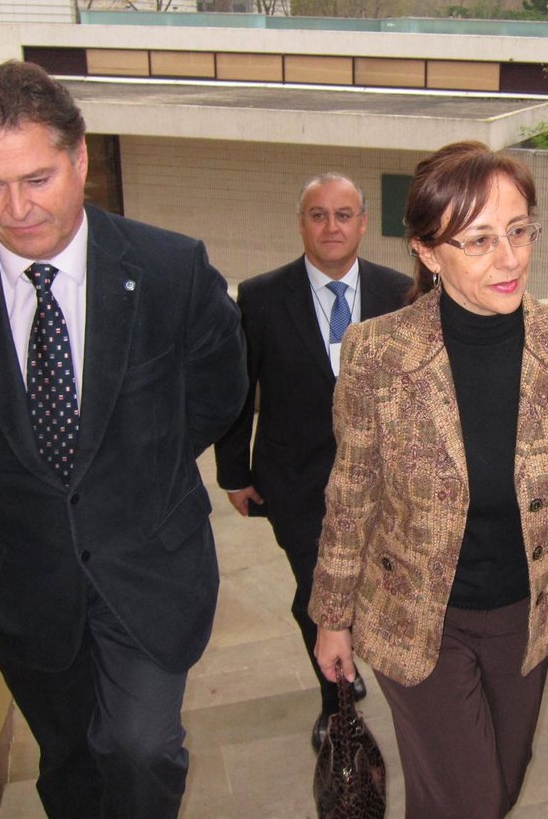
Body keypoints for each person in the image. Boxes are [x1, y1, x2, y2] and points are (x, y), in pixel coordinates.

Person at [0, 61, 246, 819]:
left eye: (37, 179)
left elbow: (218, 395)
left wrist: (134, 466)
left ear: (79, 158)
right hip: (22, 578)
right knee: (68, 759)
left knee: (141, 748)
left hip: (147, 566)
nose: (16, 209)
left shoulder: (170, 268)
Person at [308, 140, 548, 819]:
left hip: (525, 617)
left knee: (496, 788)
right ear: (429, 252)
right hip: (418, 618)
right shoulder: (378, 353)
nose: (509, 258)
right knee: (473, 800)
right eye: (480, 240)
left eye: (518, 231)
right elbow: (351, 498)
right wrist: (332, 619)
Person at [213, 173, 411, 749]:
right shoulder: (260, 296)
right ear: (301, 223)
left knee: (375, 589)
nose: (331, 227)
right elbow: (237, 389)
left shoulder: (400, 293)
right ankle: (337, 703)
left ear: (363, 223)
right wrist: (234, 473)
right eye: (318, 215)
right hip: (295, 482)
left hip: (384, 485)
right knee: (317, 592)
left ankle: (355, 659)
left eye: (343, 215)